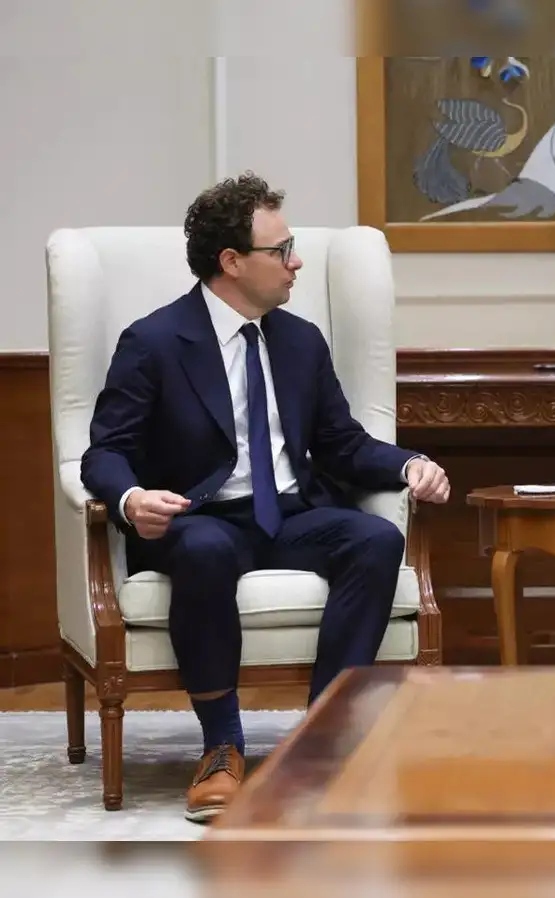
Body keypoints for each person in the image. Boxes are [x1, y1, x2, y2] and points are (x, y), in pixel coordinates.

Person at [80, 172, 451, 823]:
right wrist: (133, 497)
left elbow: (342, 445)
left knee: (375, 539)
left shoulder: (299, 341)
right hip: (199, 519)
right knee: (205, 550)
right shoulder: (156, 342)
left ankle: (321, 743)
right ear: (231, 261)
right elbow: (103, 451)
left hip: (287, 516)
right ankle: (222, 747)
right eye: (282, 250)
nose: (296, 262)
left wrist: (410, 463)